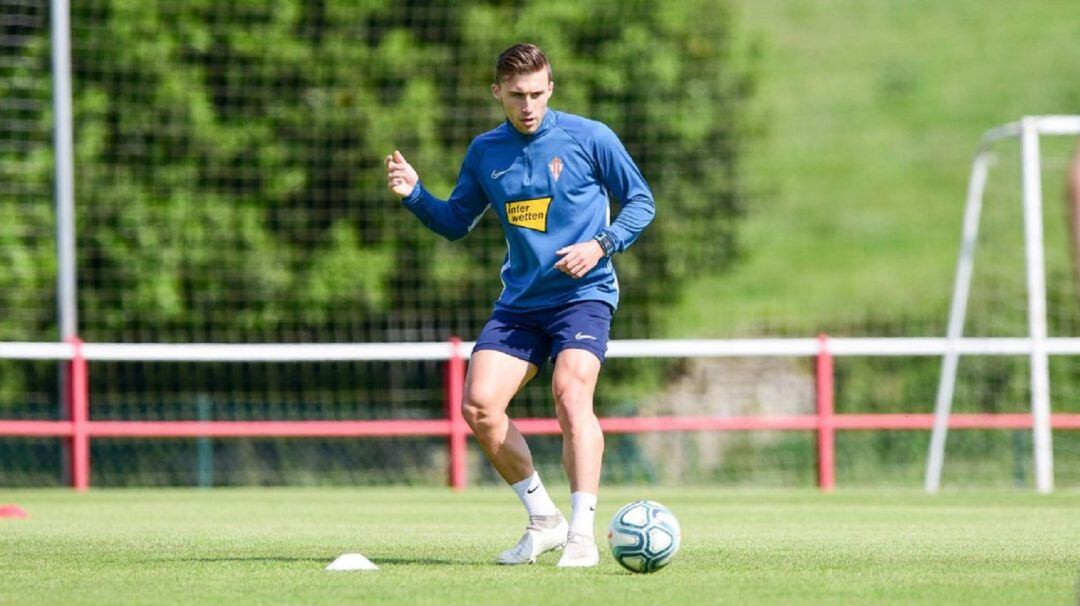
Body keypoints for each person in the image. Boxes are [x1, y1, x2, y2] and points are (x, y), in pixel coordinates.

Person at [385, 43, 655, 568]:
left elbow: (641, 201)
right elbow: (456, 223)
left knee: (570, 394)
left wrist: (601, 244)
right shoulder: (486, 152)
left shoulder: (590, 137)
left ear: (550, 88)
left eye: (536, 93)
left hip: (584, 294)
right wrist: (417, 194)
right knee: (480, 407)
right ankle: (545, 520)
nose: (527, 105)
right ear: (497, 94)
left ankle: (581, 534)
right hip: (521, 303)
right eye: (516, 96)